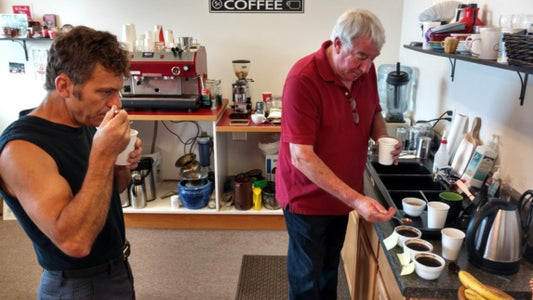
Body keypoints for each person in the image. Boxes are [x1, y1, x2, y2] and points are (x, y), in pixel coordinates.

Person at [0, 26, 141, 299]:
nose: (115, 103)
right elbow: (75, 242)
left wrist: (120, 160)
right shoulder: (22, 149)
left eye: (118, 91)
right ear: (64, 86)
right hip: (78, 286)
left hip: (116, 269)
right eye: (105, 92)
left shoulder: (86, 120)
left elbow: (113, 192)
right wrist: (102, 155)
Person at [275, 9, 401, 300]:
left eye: (374, 57)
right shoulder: (302, 79)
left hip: (341, 195)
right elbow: (301, 156)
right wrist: (357, 199)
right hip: (306, 199)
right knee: (307, 279)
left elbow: (374, 112)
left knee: (329, 270)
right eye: (361, 56)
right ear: (338, 43)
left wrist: (382, 137)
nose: (368, 68)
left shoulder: (363, 73)